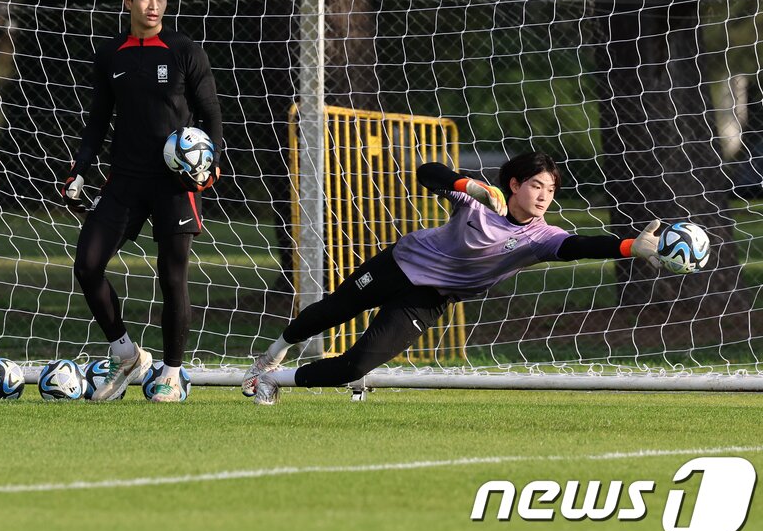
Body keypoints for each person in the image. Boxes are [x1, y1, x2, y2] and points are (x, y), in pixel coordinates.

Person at [242, 151, 664, 404]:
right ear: (514, 184)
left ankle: (271, 381)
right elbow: (428, 171)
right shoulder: (478, 200)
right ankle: (273, 353)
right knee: (330, 312)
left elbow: (580, 246)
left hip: (429, 299)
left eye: (550, 190)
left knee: (356, 364)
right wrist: (469, 185)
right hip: (399, 265)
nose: (543, 196)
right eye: (536, 185)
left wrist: (631, 247)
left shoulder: (542, 236)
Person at [62, 0, 224, 402]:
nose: (153, 6)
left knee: (172, 276)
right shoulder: (111, 54)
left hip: (176, 183)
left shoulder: (185, 50)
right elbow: (97, 122)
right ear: (128, 2)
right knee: (88, 263)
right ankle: (126, 352)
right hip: (125, 181)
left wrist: (211, 163)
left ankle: (172, 372)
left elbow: (211, 114)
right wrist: (80, 167)